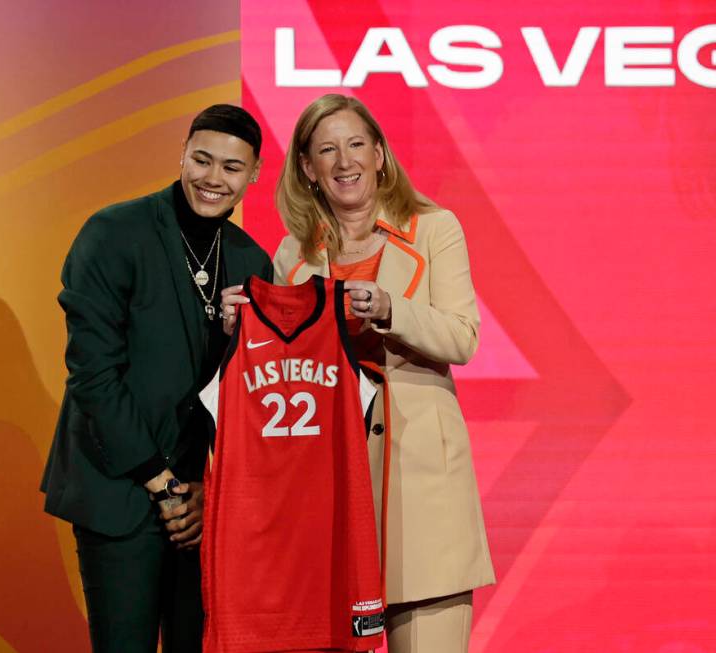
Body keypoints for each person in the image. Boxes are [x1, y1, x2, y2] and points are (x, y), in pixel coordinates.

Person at [221, 94, 494, 652]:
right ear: (307, 169)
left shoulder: (435, 228)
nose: (344, 162)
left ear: (379, 154)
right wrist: (241, 327)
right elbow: (280, 369)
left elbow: (462, 337)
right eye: (327, 150)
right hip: (329, 497)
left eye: (354, 145)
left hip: (422, 490)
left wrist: (392, 309)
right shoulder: (293, 255)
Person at [41, 104, 273, 653]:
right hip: (118, 491)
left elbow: (250, 395)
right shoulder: (113, 232)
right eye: (202, 159)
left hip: (200, 507)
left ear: (255, 174)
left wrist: (206, 491)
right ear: (183, 153)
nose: (214, 178)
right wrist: (162, 484)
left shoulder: (251, 261)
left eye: (232, 168)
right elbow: (93, 375)